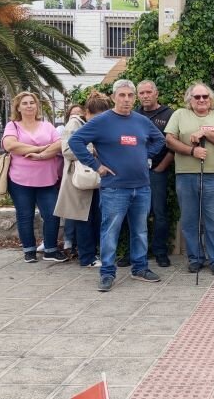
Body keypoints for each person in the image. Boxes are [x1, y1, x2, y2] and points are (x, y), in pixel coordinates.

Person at [68, 79, 166, 292]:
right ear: (113, 97)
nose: (127, 99)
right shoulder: (102, 121)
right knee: (110, 231)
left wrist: (144, 156)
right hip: (114, 187)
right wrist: (96, 165)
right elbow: (75, 141)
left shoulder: (141, 121)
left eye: (130, 95)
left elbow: (159, 140)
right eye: (122, 95)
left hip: (141, 186)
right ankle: (107, 273)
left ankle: (140, 268)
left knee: (140, 230)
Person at [165, 82, 214, 275]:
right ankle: (195, 258)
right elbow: (169, 139)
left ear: (210, 99)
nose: (201, 100)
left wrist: (206, 132)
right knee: (189, 220)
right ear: (190, 100)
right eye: (197, 97)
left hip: (212, 175)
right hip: (185, 175)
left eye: (205, 97)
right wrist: (192, 151)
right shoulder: (179, 115)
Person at [1, 91, 65, 263]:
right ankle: (29, 250)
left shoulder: (47, 126)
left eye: (32, 103)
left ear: (37, 106)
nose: (29, 106)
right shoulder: (12, 126)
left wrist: (41, 154)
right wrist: (39, 148)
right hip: (20, 179)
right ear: (18, 107)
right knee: (25, 215)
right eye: (25, 103)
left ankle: (50, 250)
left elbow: (59, 144)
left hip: (47, 179)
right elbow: (10, 145)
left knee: (52, 214)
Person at [54, 92, 111, 268]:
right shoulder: (75, 123)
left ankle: (93, 254)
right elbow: (67, 150)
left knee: (97, 217)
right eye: (96, 117)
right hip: (80, 177)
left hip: (97, 177)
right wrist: (92, 150)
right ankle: (87, 257)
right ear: (87, 112)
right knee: (83, 218)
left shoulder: (101, 123)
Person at [134, 80, 175, 268]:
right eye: (141, 93)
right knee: (136, 213)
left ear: (156, 93)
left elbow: (172, 145)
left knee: (159, 212)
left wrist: (162, 167)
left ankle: (160, 251)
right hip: (136, 172)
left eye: (148, 92)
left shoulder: (168, 114)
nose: (145, 96)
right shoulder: (133, 114)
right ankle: (136, 252)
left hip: (158, 171)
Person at [56, 104, 84, 255]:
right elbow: (66, 150)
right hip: (69, 174)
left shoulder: (83, 127)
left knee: (79, 211)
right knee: (71, 210)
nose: (76, 117)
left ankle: (74, 244)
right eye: (73, 115)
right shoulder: (65, 129)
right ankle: (68, 242)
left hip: (82, 174)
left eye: (79, 114)